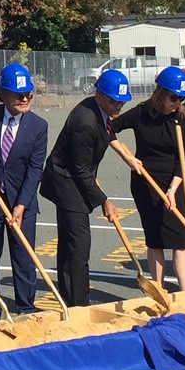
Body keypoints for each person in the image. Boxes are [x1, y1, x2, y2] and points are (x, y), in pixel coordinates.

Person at [38, 69, 129, 307]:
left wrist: (127, 156)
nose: (118, 106)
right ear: (99, 95)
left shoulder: (99, 112)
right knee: (78, 246)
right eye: (113, 101)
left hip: (78, 178)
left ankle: (72, 298)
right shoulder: (85, 123)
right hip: (66, 182)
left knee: (72, 244)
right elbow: (80, 169)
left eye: (121, 101)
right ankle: (78, 303)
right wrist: (103, 200)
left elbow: (106, 135)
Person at [110, 65, 185, 292]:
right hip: (145, 181)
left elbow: (184, 159)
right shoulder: (141, 113)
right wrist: (127, 156)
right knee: (154, 237)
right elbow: (109, 128)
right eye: (173, 97)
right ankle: (158, 289)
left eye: (181, 98)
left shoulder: (182, 119)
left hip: (174, 182)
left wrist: (172, 189)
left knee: (179, 238)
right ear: (161, 93)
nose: (177, 102)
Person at [0, 63, 49, 316]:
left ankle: (26, 308)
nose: (24, 99)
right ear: (4, 95)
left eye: (28, 94)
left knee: (23, 259)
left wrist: (21, 205)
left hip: (23, 202)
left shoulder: (38, 126)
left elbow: (35, 169)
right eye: (18, 95)